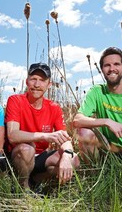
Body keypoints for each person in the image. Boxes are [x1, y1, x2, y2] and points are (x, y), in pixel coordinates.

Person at [5, 62, 80, 191]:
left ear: (49, 84)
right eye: (33, 79)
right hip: (18, 156)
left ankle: (36, 181)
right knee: (26, 150)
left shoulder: (54, 107)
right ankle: (22, 189)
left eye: (42, 80)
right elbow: (12, 135)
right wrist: (46, 136)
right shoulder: (15, 100)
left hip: (40, 156)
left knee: (74, 159)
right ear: (27, 81)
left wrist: (67, 156)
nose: (37, 84)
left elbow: (65, 139)